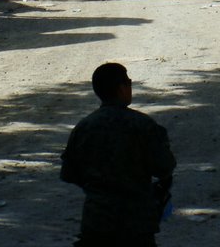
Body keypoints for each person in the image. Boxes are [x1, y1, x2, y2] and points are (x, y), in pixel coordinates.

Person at [61, 62, 176, 247]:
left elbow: (69, 174)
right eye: (129, 82)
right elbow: (165, 167)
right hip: (136, 223)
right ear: (122, 88)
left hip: (96, 221)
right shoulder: (144, 125)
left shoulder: (83, 127)